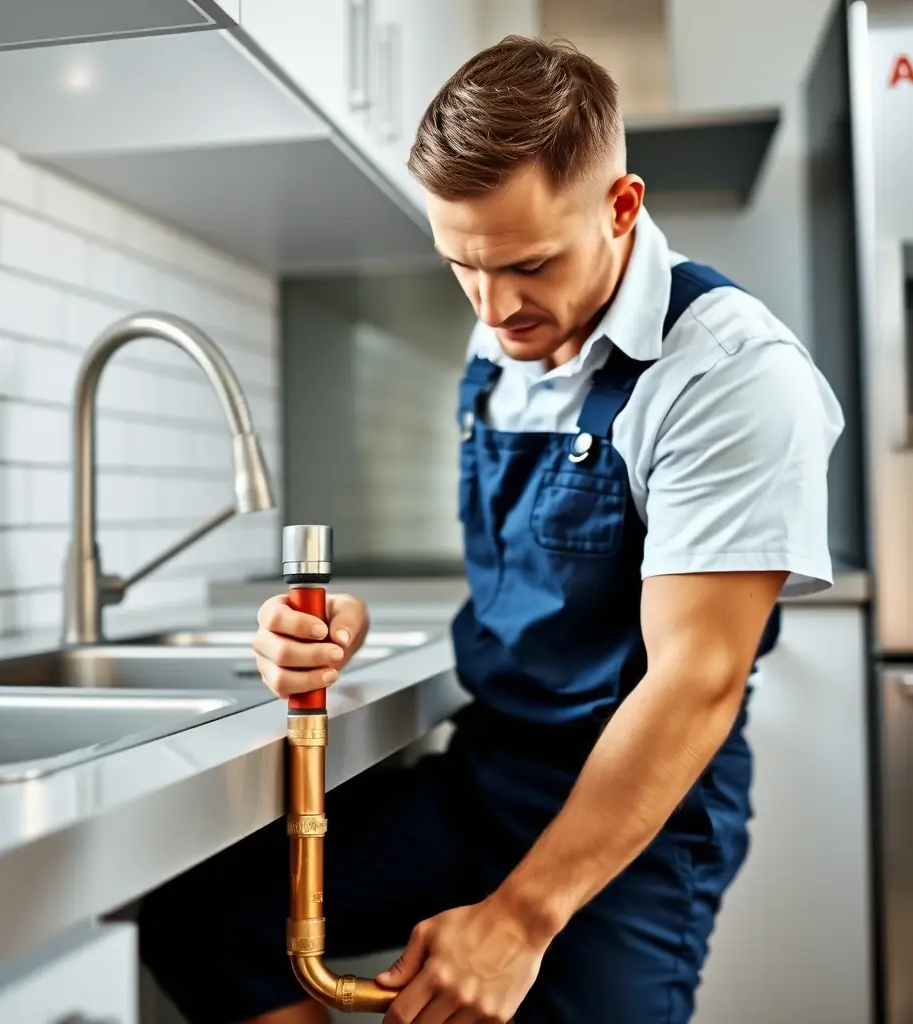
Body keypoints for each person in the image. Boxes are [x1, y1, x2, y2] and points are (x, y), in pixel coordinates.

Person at [139, 35, 844, 1023]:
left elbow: (696, 681)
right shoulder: (508, 324)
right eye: (461, 266)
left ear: (621, 206)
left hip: (639, 815)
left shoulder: (729, 374)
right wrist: (346, 627)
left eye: (526, 263)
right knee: (205, 918)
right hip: (487, 770)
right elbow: (526, 580)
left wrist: (519, 918)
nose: (494, 304)